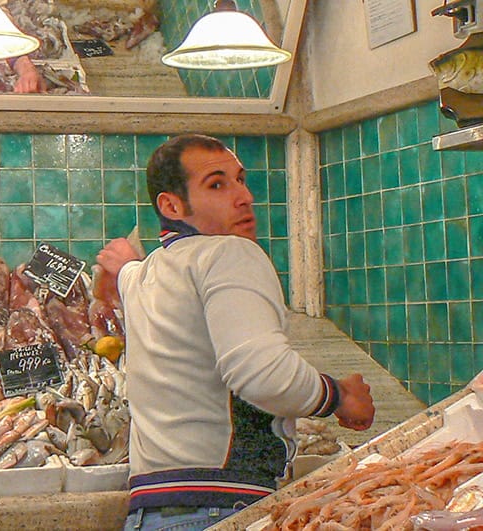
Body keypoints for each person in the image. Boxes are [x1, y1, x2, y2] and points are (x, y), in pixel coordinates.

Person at [96, 134, 375, 531]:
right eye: (217, 184)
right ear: (171, 205)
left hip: (147, 516)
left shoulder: (146, 274)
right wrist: (340, 396)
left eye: (240, 180)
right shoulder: (229, 253)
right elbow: (264, 376)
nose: (243, 196)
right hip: (221, 509)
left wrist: (118, 267)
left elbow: (122, 273)